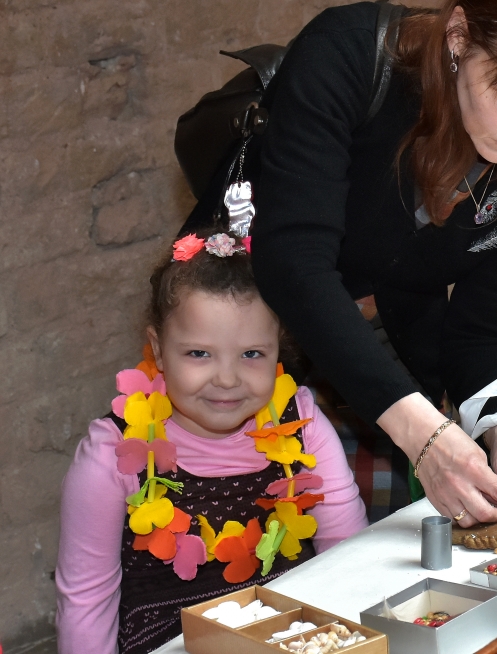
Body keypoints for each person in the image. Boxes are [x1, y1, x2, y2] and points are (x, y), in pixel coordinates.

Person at [185, 0, 497, 526]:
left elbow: (485, 327)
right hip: (230, 344)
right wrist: (425, 434)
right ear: (459, 35)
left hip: (380, 375)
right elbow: (295, 262)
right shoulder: (347, 56)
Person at [56, 231, 367, 654]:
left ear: (279, 348)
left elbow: (347, 558)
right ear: (158, 350)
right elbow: (85, 604)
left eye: (252, 354)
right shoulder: (112, 455)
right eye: (199, 354)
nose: (226, 378)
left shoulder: (302, 424)